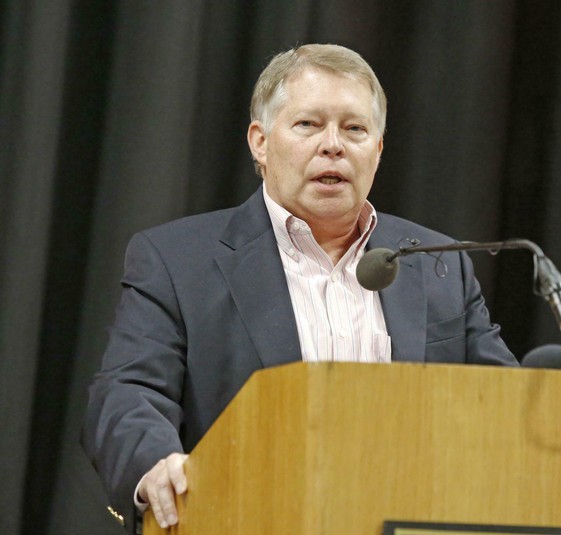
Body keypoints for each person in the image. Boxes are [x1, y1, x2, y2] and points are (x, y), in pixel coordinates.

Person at [82, 44, 518, 533]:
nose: (333, 145)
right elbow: (129, 391)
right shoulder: (177, 260)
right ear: (260, 142)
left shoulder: (438, 262)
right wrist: (155, 462)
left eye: (354, 129)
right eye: (309, 124)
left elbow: (504, 404)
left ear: (377, 149)